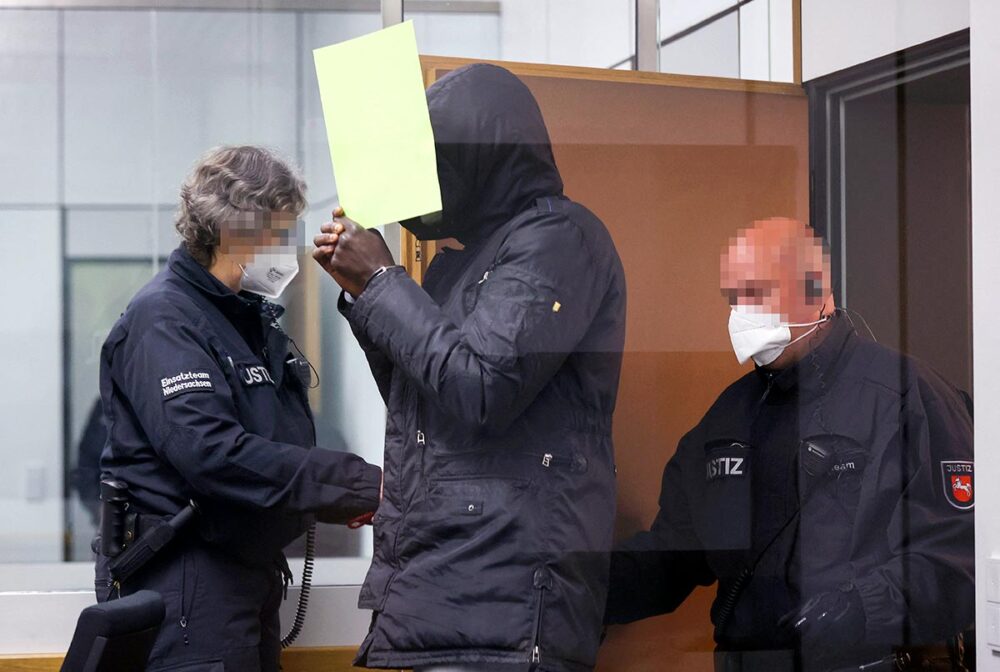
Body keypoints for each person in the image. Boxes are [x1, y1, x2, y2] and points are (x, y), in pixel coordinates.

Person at [312, 64, 627, 672]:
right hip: (427, 590)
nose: (429, 186)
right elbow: (421, 403)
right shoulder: (453, 267)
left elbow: (483, 387)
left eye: (437, 165)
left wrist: (381, 281)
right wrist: (364, 294)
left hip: (501, 604)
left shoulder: (559, 237)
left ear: (489, 157)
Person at [604, 218, 975, 672]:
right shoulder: (729, 417)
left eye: (758, 292)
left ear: (815, 291)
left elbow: (959, 555)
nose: (742, 312)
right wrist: (575, 587)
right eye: (736, 297)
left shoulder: (904, 396)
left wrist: (862, 608)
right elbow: (675, 552)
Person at [95, 145, 383, 672]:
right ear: (238, 229)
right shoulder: (165, 319)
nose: (288, 247)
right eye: (282, 229)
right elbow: (212, 453)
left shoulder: (242, 319)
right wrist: (357, 484)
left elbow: (277, 440)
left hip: (246, 576)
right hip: (189, 587)